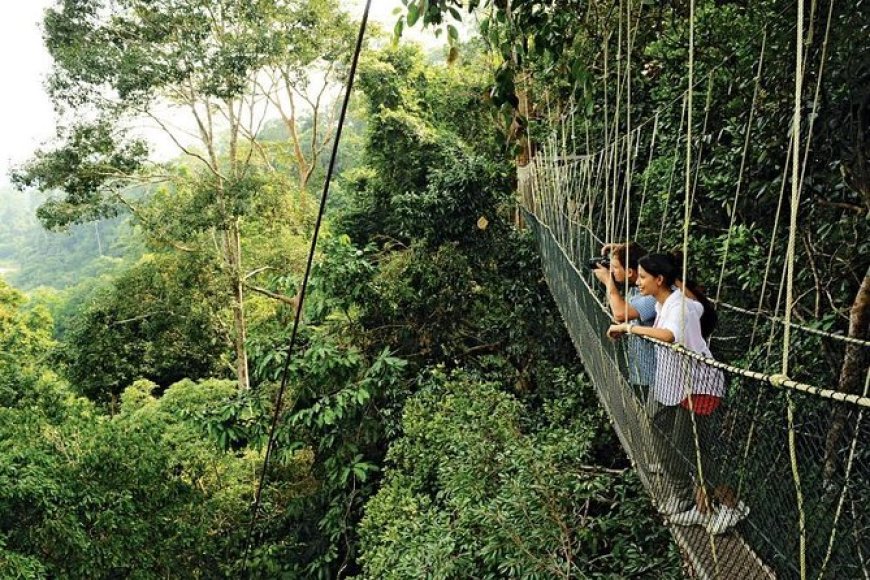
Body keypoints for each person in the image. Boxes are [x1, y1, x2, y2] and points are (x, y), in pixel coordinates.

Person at [606, 253, 748, 535]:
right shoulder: (668, 303)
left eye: (644, 277)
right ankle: (703, 508)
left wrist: (628, 327)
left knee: (694, 453)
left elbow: (670, 335)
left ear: (660, 280)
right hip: (680, 387)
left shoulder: (678, 307)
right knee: (687, 449)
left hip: (698, 388)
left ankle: (732, 505)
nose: (639, 281)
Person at [593, 242, 657, 389]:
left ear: (629, 272)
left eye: (615, 267)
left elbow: (620, 314)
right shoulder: (635, 289)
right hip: (642, 371)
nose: (611, 271)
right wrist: (622, 249)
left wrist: (608, 281)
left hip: (656, 376)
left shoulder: (653, 294)